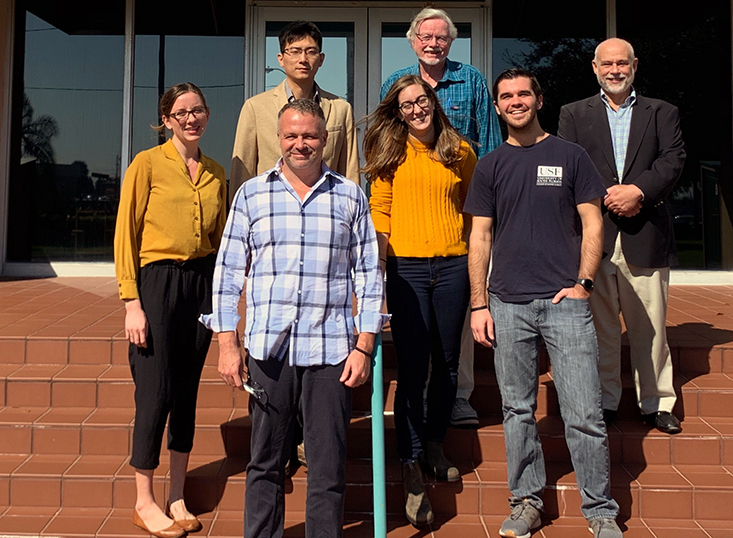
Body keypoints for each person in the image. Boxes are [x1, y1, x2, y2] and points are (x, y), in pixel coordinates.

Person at [200, 99, 386, 538]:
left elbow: (369, 276)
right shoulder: (251, 195)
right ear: (278, 139)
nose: (300, 144)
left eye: (309, 136)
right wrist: (227, 342)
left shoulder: (350, 195)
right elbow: (227, 273)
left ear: (325, 140)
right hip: (269, 350)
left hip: (331, 352)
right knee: (264, 461)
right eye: (291, 136)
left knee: (326, 465)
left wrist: (365, 344)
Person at [465, 68, 622, 538]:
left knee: (584, 413)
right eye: (506, 96)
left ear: (538, 99)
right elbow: (480, 236)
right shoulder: (489, 165)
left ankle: (600, 510)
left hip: (565, 303)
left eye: (523, 93)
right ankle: (527, 502)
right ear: (496, 107)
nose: (515, 101)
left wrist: (584, 284)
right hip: (507, 304)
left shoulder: (570, 156)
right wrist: (479, 304)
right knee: (516, 411)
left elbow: (593, 224)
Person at [114, 82, 227, 538]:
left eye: (198, 110)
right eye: (181, 112)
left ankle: (175, 494)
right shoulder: (146, 164)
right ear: (165, 119)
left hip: (200, 283)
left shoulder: (217, 172)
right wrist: (131, 302)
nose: (191, 118)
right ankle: (144, 500)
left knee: (186, 394)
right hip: (157, 283)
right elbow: (126, 233)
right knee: (155, 392)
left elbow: (221, 242)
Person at [381, 8, 502, 427]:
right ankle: (420, 402)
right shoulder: (395, 83)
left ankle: (459, 396)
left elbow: (487, 142)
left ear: (451, 42)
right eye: (425, 37)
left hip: (460, 214)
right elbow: (384, 144)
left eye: (442, 38)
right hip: (412, 233)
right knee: (417, 335)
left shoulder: (471, 80)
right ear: (413, 41)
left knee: (455, 329)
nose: (433, 44)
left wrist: (488, 213)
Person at [558, 38, 686, 434]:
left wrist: (639, 192)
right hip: (593, 235)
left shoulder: (662, 112)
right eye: (607, 64)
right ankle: (606, 401)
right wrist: (608, 196)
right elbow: (568, 163)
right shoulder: (573, 113)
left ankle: (657, 402)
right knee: (601, 327)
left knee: (649, 325)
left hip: (644, 231)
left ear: (635, 65)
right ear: (594, 68)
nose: (615, 70)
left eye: (622, 63)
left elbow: (673, 159)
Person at [365, 74, 476, 527]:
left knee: (447, 363)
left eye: (422, 100)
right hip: (407, 269)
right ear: (398, 111)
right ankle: (410, 464)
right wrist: (377, 266)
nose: (416, 109)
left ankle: (433, 444)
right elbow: (381, 213)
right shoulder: (389, 154)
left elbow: (474, 209)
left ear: (434, 101)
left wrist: (473, 259)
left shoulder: (461, 151)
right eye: (406, 104)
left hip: (452, 267)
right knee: (413, 368)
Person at [230, 20, 359, 205]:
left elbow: (350, 171)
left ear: (321, 59)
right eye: (295, 51)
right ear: (281, 58)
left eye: (311, 51)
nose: (303, 59)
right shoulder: (255, 108)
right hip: (271, 211)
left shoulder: (341, 109)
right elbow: (241, 175)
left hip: (325, 212)